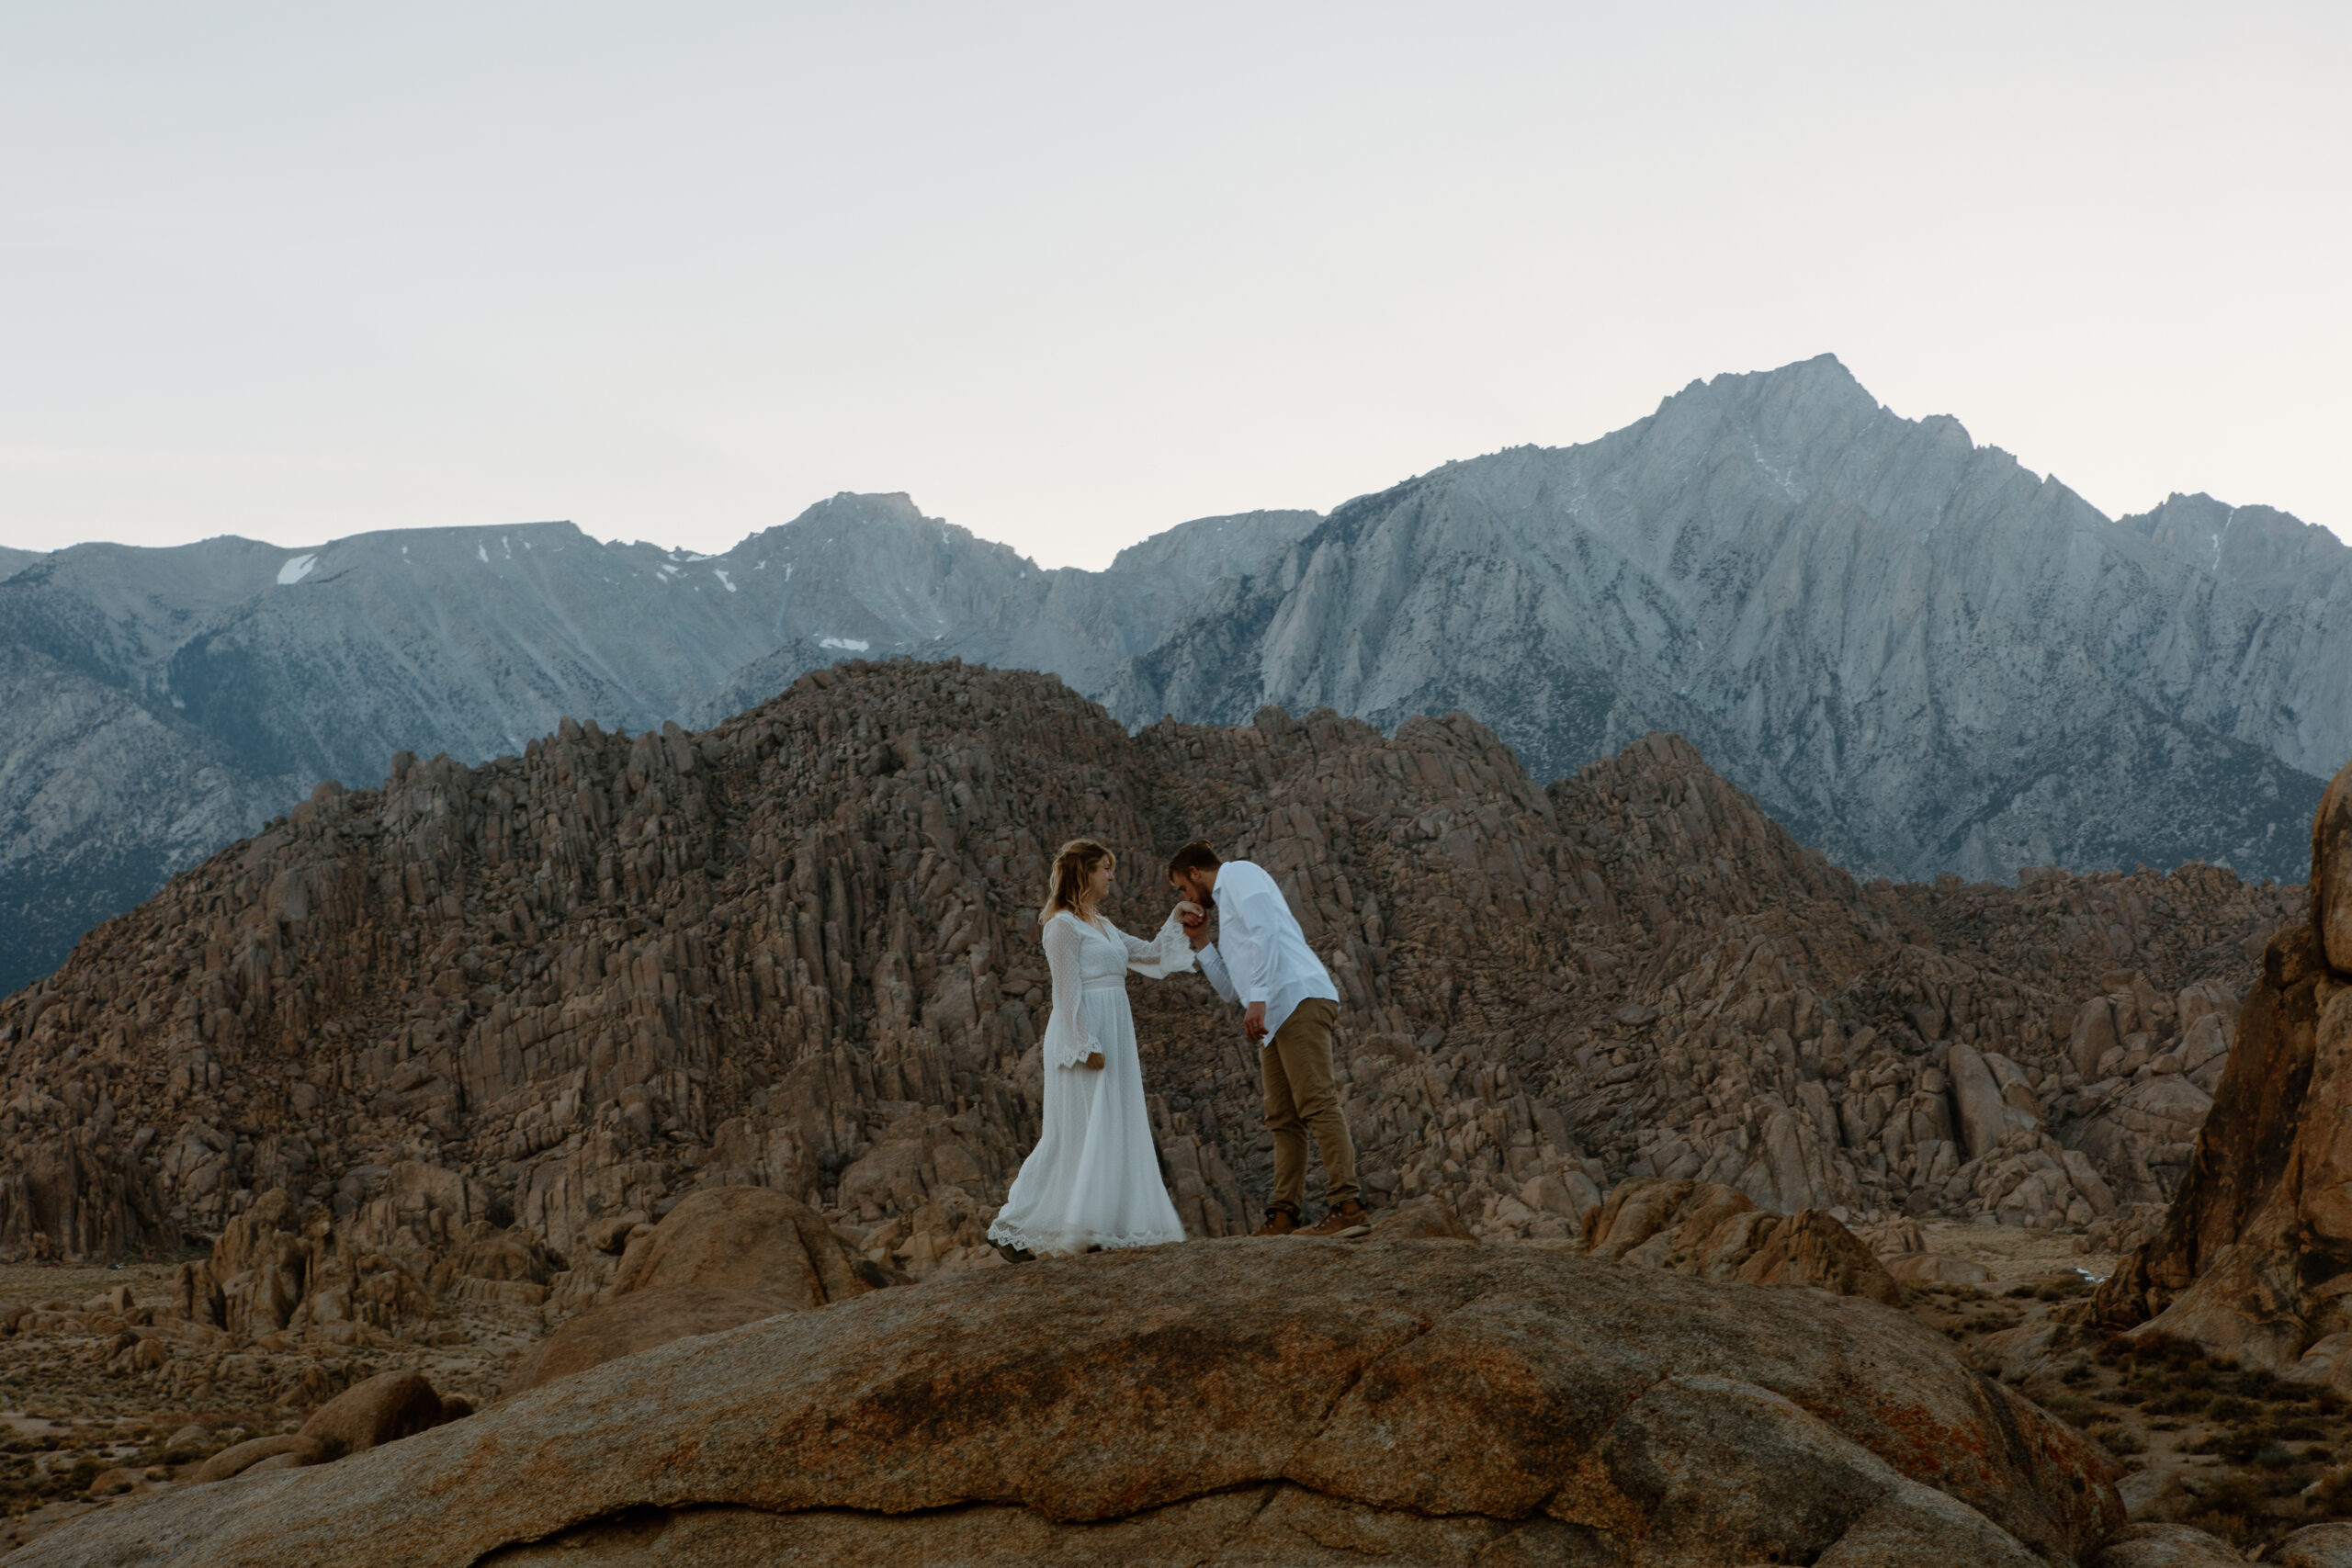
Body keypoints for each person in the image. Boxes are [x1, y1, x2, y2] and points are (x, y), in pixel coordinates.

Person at [987, 839, 1197, 1260]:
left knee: (1108, 1128)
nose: (1111, 876)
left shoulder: (1100, 924)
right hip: (1083, 1035)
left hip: (1114, 1029)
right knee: (1075, 1135)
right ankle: (1016, 1226)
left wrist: (1175, 918)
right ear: (1084, 873)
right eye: (1104, 868)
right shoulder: (1061, 926)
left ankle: (1098, 1225)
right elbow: (1066, 993)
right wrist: (1087, 1044)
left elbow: (1151, 955)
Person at [1167, 840, 1368, 1238]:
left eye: (1181, 888)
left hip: (1297, 997)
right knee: (1282, 1117)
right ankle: (1283, 1215)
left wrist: (1258, 999)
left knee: (1316, 1102)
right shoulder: (1227, 908)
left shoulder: (1240, 874)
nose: (1186, 898)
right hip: (1274, 1015)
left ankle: (1348, 1206)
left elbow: (1269, 932)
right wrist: (1202, 941)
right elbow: (1231, 990)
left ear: (1194, 873)